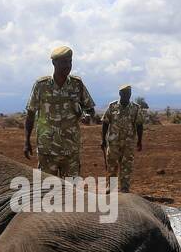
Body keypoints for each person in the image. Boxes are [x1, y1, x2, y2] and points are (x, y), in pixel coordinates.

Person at [24, 45, 95, 178]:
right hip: (47, 149)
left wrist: (87, 115)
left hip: (71, 149)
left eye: (70, 62)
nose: (68, 66)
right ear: (54, 63)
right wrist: (26, 141)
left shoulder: (77, 84)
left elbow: (90, 108)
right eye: (64, 62)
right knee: (47, 190)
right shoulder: (41, 85)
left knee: (71, 191)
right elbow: (30, 114)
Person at [101, 84, 144, 193]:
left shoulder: (135, 108)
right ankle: (111, 187)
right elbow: (105, 123)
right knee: (112, 165)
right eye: (125, 93)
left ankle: (125, 188)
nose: (127, 96)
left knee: (127, 166)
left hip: (129, 143)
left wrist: (139, 141)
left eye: (129, 94)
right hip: (113, 143)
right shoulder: (112, 106)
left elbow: (139, 125)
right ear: (120, 94)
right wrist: (103, 140)